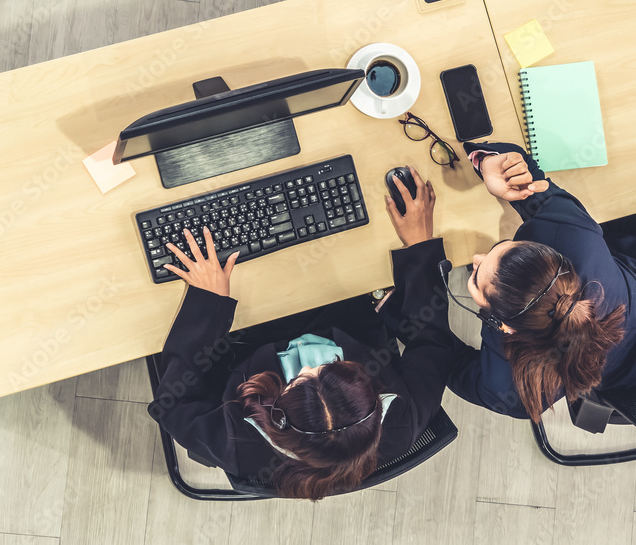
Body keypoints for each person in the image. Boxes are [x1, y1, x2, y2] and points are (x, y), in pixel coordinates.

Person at [148, 168, 453, 500]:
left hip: (246, 337)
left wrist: (209, 305)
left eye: (304, 378)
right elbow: (434, 343)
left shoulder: (236, 444)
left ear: (278, 418)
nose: (312, 360)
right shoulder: (402, 425)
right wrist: (421, 249)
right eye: (334, 367)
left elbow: (171, 404)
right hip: (341, 311)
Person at [447, 142, 636, 422]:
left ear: (502, 326)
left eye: (475, 277)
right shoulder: (573, 239)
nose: (476, 257)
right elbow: (535, 184)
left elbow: (442, 358)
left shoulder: (512, 390)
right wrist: (490, 162)